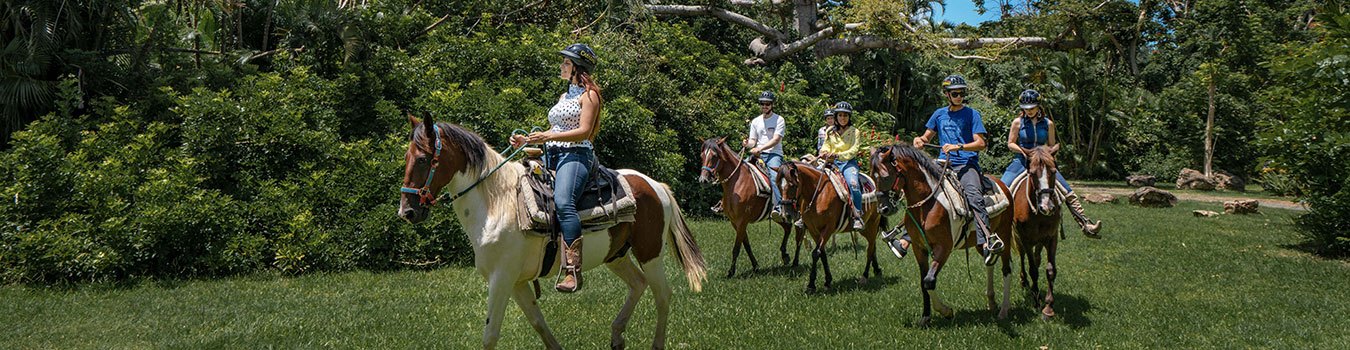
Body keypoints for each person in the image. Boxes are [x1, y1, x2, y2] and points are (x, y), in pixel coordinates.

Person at [510, 43, 602, 293]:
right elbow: (555, 130)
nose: (561, 66)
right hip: (553, 154)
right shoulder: (565, 96)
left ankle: (573, 271)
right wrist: (527, 140)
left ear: (577, 68)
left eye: (566, 63)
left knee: (563, 202)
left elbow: (583, 131)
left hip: (576, 155)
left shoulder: (589, 95)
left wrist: (547, 139)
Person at [911, 74, 1005, 265]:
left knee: (974, 197)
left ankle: (986, 241)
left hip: (966, 165)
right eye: (955, 93)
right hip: (941, 164)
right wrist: (919, 141)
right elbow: (926, 137)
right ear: (947, 94)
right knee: (919, 192)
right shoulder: (939, 114)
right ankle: (905, 237)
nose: (959, 96)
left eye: (961, 93)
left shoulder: (972, 114)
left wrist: (959, 147)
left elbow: (981, 143)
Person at [1000, 89, 1102, 237]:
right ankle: (996, 229)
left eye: (1032, 108)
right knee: (1003, 190)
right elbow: (1010, 143)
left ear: (1039, 106)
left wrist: (1047, 156)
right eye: (1026, 108)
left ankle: (1085, 224)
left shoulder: (1048, 124)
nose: (1029, 111)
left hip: (1042, 164)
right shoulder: (1017, 122)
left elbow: (1052, 145)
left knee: (1068, 192)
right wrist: (1022, 151)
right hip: (1021, 161)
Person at [819, 101, 866, 231]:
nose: (843, 118)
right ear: (836, 117)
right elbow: (825, 146)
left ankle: (857, 215)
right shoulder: (829, 131)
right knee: (812, 178)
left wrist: (837, 155)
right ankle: (804, 212)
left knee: (853, 185)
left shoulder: (855, 132)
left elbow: (853, 151)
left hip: (848, 163)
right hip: (830, 163)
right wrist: (823, 152)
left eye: (845, 115)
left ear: (849, 117)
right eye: (840, 115)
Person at [744, 91, 788, 220]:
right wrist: (747, 144)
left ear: (772, 105)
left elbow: (776, 140)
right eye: (762, 104)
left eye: (767, 104)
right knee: (740, 171)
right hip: (758, 154)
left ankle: (779, 207)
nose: (765, 106)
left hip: (774, 154)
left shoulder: (779, 119)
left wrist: (760, 148)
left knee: (775, 177)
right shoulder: (755, 121)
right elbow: (753, 141)